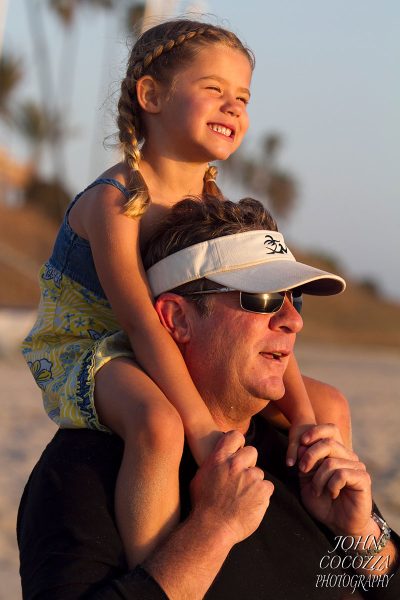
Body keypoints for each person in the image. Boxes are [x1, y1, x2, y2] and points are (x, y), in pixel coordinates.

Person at [21, 18, 349, 569]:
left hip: (174, 336)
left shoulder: (217, 199)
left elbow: (273, 309)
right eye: (214, 90)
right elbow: (141, 323)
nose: (233, 108)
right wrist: (201, 431)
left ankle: (332, 555)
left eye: (242, 97)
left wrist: (307, 418)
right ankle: (159, 564)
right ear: (150, 94)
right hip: (91, 344)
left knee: (330, 405)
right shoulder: (117, 198)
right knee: (158, 423)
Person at [18, 197, 399, 599]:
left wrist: (362, 536)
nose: (293, 320)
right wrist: (212, 531)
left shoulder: (304, 459)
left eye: (295, 298)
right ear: (177, 318)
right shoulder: (87, 470)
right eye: (262, 297)